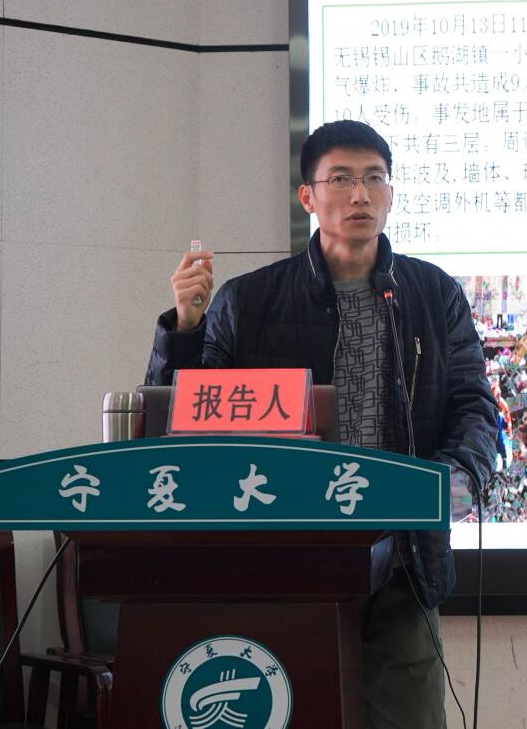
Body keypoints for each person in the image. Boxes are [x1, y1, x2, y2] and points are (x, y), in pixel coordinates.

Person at [145, 119, 496, 728]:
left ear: (391, 193)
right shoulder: (249, 301)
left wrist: (451, 483)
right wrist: (186, 327)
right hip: (282, 566)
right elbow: (182, 426)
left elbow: (473, 407)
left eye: (374, 179)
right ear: (308, 196)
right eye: (341, 179)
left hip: (402, 561)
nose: (360, 194)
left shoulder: (432, 293)